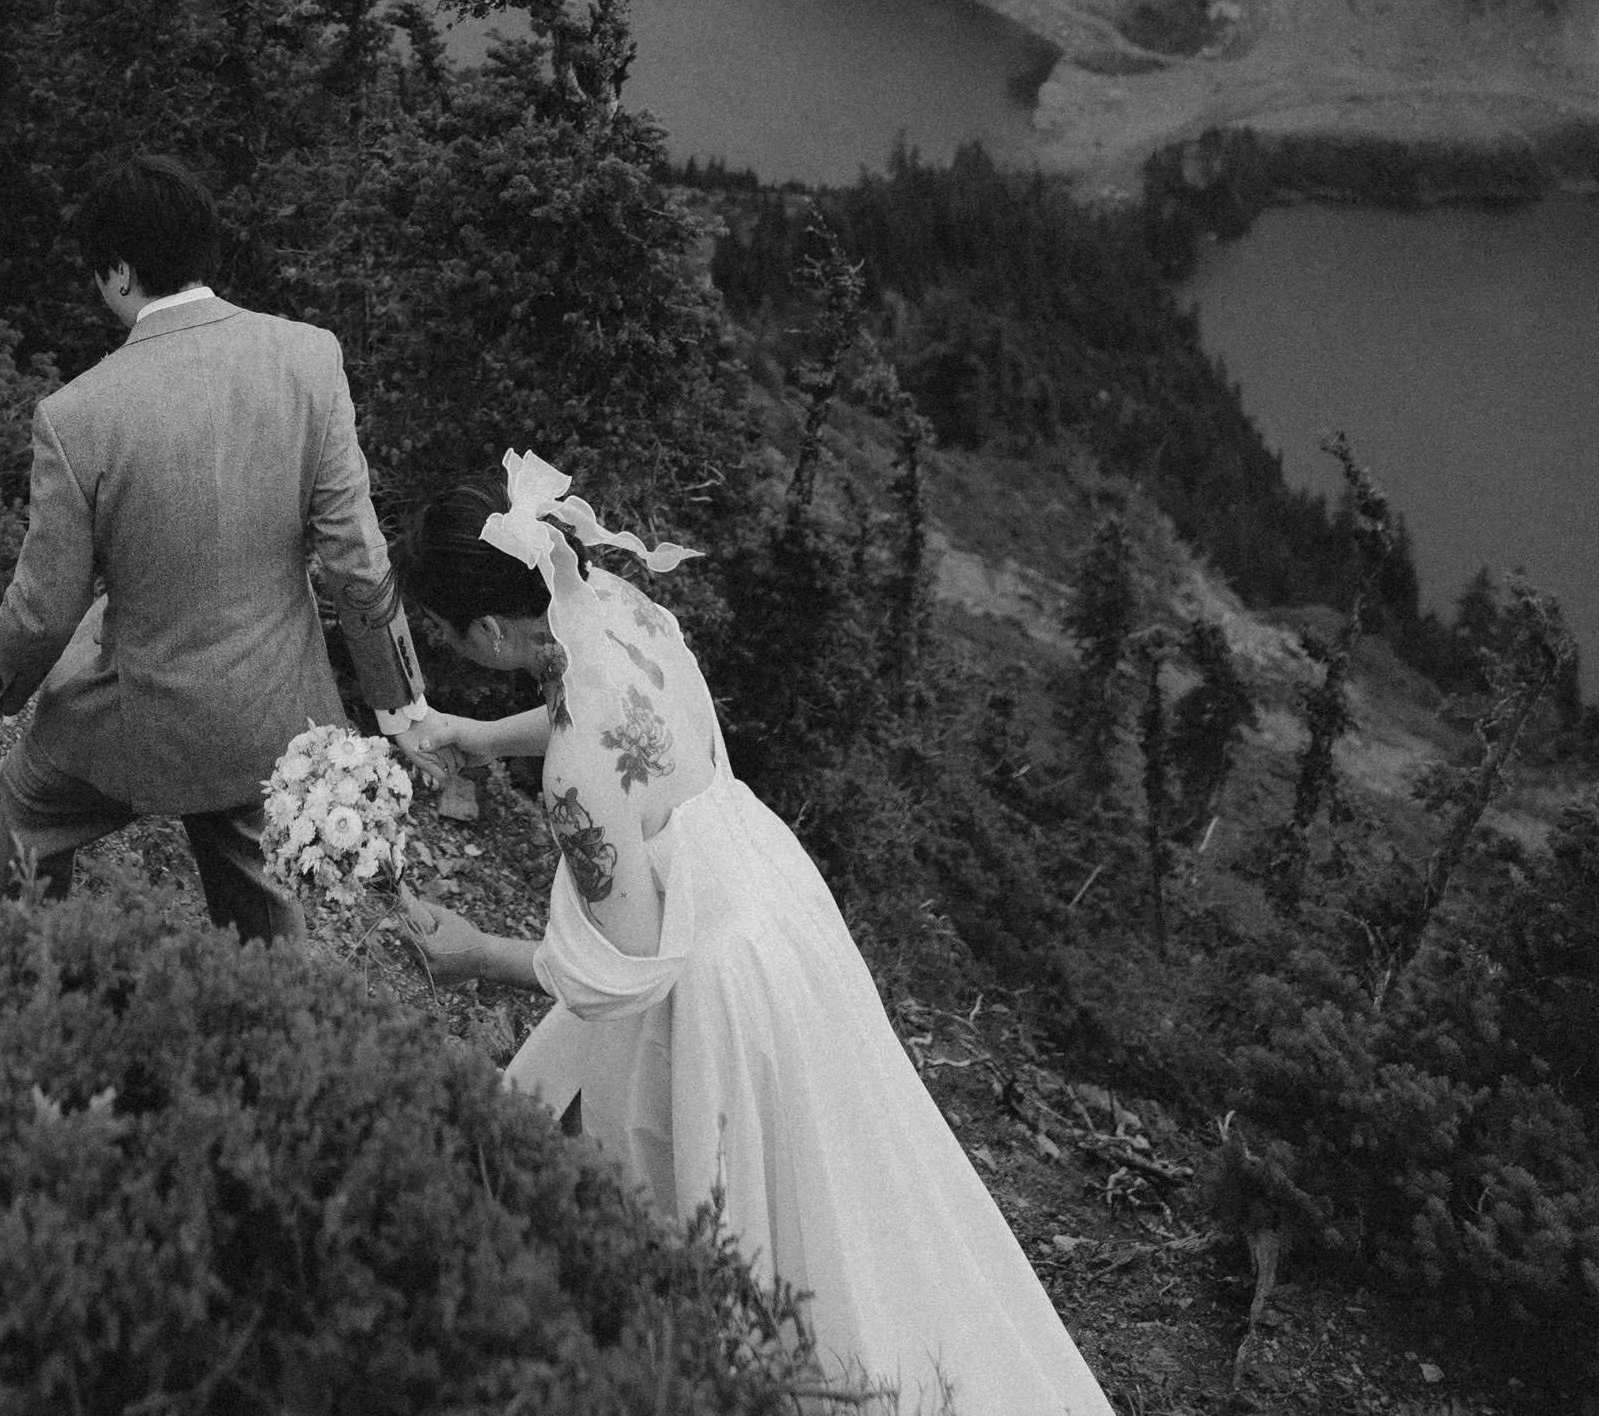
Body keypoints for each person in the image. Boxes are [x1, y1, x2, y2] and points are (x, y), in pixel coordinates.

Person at [393, 453, 1118, 1415]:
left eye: (447, 636)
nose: (451, 653)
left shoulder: (574, 784)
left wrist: (476, 954)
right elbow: (616, 716)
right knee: (853, 1179)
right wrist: (477, 736)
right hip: (773, 897)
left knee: (736, 1232)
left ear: (488, 628)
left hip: (715, 981)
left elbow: (624, 976)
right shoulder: (613, 601)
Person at [0, 152, 424, 946]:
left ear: (119, 272)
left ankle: (27, 979)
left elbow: (44, 611)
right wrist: (398, 702)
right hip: (274, 725)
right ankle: (283, 1027)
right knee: (256, 869)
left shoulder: (75, 415)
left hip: (143, 722)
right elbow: (357, 559)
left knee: (31, 799)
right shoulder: (311, 359)